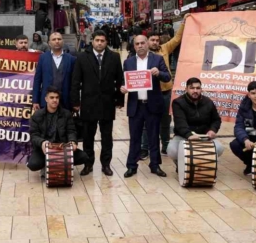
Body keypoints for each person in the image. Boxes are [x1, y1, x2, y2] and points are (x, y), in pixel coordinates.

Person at [71, 29, 124, 176]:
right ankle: (88, 164)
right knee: (88, 136)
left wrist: (119, 100)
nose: (99, 43)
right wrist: (75, 102)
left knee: (107, 137)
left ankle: (106, 164)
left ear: (106, 42)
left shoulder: (114, 57)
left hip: (107, 103)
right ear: (92, 41)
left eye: (102, 41)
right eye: (97, 40)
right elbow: (75, 81)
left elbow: (119, 79)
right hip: (88, 103)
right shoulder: (82, 57)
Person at [121, 35, 171, 178]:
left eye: (142, 43)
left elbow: (167, 77)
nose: (140, 46)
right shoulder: (128, 62)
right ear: (134, 46)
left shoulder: (157, 59)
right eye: (137, 44)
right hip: (135, 106)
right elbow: (124, 81)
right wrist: (123, 88)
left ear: (147, 44)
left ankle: (155, 165)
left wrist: (158, 73)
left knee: (154, 136)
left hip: (152, 104)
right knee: (134, 137)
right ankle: (131, 166)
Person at [147, 16, 186, 155]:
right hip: (149, 93)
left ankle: (165, 145)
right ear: (147, 41)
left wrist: (183, 23)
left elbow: (177, 39)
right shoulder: (143, 54)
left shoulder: (164, 49)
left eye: (157, 40)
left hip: (166, 91)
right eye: (152, 40)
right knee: (148, 122)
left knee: (165, 120)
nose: (155, 42)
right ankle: (146, 148)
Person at [27, 86, 88, 172]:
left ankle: (58, 163)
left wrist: (73, 141)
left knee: (84, 157)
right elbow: (34, 135)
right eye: (52, 97)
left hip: (62, 148)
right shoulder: (37, 115)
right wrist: (42, 142)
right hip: (44, 149)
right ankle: (49, 164)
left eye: (57, 97)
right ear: (46, 99)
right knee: (33, 164)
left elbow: (71, 131)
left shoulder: (66, 114)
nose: (55, 100)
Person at [167, 77, 224, 168]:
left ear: (201, 89)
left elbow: (216, 120)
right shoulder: (178, 102)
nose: (195, 91)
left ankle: (203, 164)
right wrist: (189, 135)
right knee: (172, 151)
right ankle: (181, 164)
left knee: (219, 148)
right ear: (186, 89)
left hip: (204, 137)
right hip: (184, 136)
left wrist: (213, 130)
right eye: (192, 88)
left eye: (198, 88)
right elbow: (180, 122)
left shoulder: (208, 102)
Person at [33, 32, 77, 111]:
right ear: (49, 43)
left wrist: (75, 102)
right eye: (54, 39)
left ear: (63, 41)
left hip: (65, 102)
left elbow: (74, 83)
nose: (57, 41)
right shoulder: (43, 58)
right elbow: (37, 80)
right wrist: (35, 100)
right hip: (46, 102)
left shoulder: (71, 59)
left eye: (59, 39)